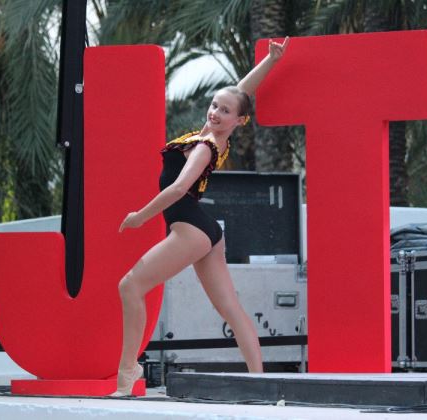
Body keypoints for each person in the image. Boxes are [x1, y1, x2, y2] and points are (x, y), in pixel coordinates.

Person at [113, 37, 290, 396]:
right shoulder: (211, 133)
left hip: (191, 229)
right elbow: (240, 91)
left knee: (130, 286)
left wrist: (140, 217)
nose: (215, 112)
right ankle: (262, 385)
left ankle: (127, 374)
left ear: (239, 121)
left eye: (224, 111)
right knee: (232, 310)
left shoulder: (205, 148)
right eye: (213, 105)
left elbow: (179, 190)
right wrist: (271, 61)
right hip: (205, 231)